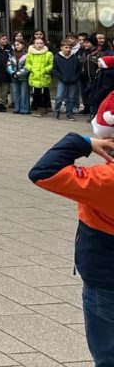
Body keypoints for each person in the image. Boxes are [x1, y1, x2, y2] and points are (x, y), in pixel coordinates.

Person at [29, 133, 114, 365]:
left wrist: (82, 142)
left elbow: (43, 172)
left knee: (108, 355)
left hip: (106, 277)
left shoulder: (106, 180)